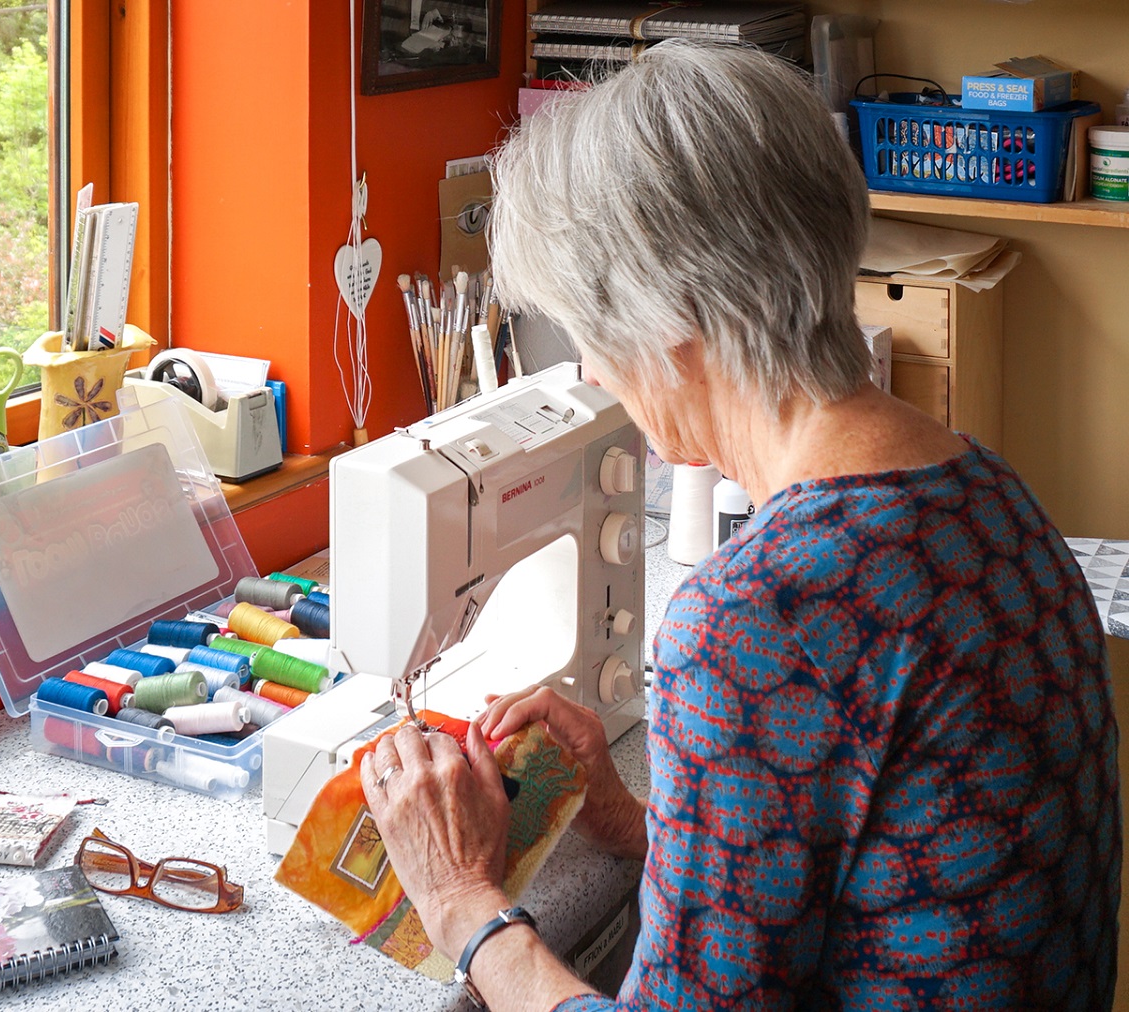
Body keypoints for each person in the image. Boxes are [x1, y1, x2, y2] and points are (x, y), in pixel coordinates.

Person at [359, 41, 1120, 1011]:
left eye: (594, 337)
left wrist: (463, 906)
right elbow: (863, 869)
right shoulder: (995, 499)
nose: (592, 374)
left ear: (672, 329)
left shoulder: (756, 617)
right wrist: (634, 819)